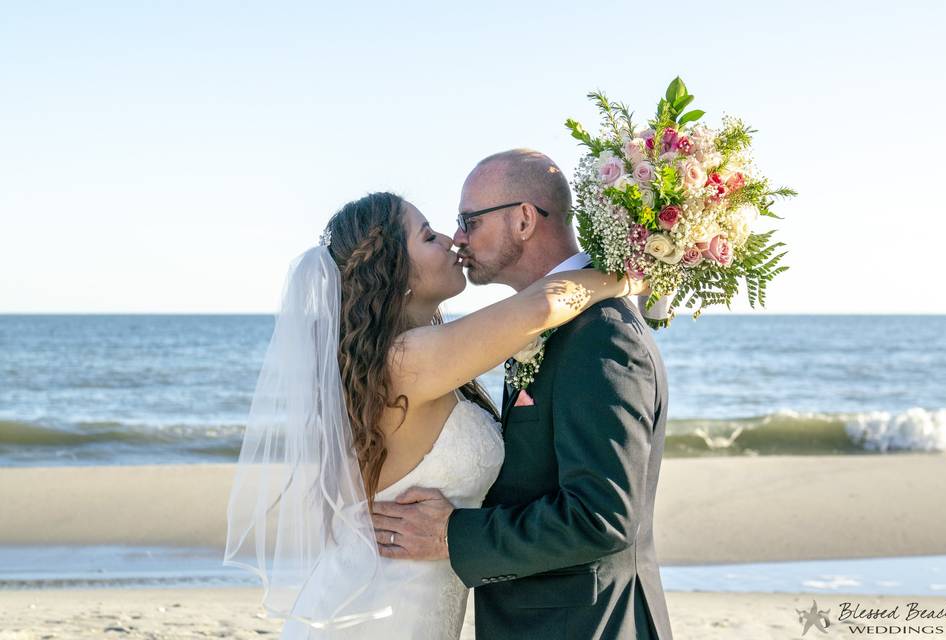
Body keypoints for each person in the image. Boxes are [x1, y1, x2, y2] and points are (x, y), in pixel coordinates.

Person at [224, 189, 646, 639]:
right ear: (394, 271)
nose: (450, 239)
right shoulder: (405, 360)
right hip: (375, 615)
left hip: (398, 604)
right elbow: (543, 305)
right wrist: (630, 278)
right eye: (428, 236)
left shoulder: (401, 359)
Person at [372, 150, 674, 640]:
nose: (459, 239)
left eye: (469, 220)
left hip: (587, 626)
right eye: (446, 227)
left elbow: (602, 516)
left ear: (525, 220)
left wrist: (453, 534)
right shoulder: (526, 327)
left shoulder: (599, 332)